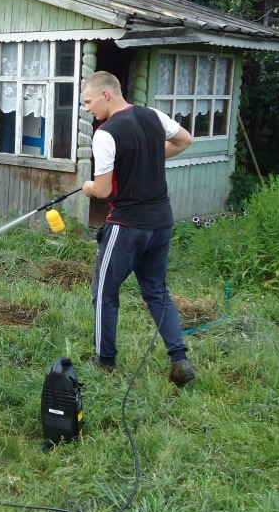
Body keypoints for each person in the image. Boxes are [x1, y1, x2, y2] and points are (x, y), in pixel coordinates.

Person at [80, 71, 195, 385]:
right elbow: (185, 140)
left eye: (88, 102)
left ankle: (105, 361)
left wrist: (89, 187)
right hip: (162, 222)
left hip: (127, 226)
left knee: (104, 293)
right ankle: (179, 359)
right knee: (157, 291)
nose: (86, 109)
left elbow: (103, 191)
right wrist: (152, 156)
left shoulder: (105, 134)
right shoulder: (152, 115)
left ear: (106, 95)